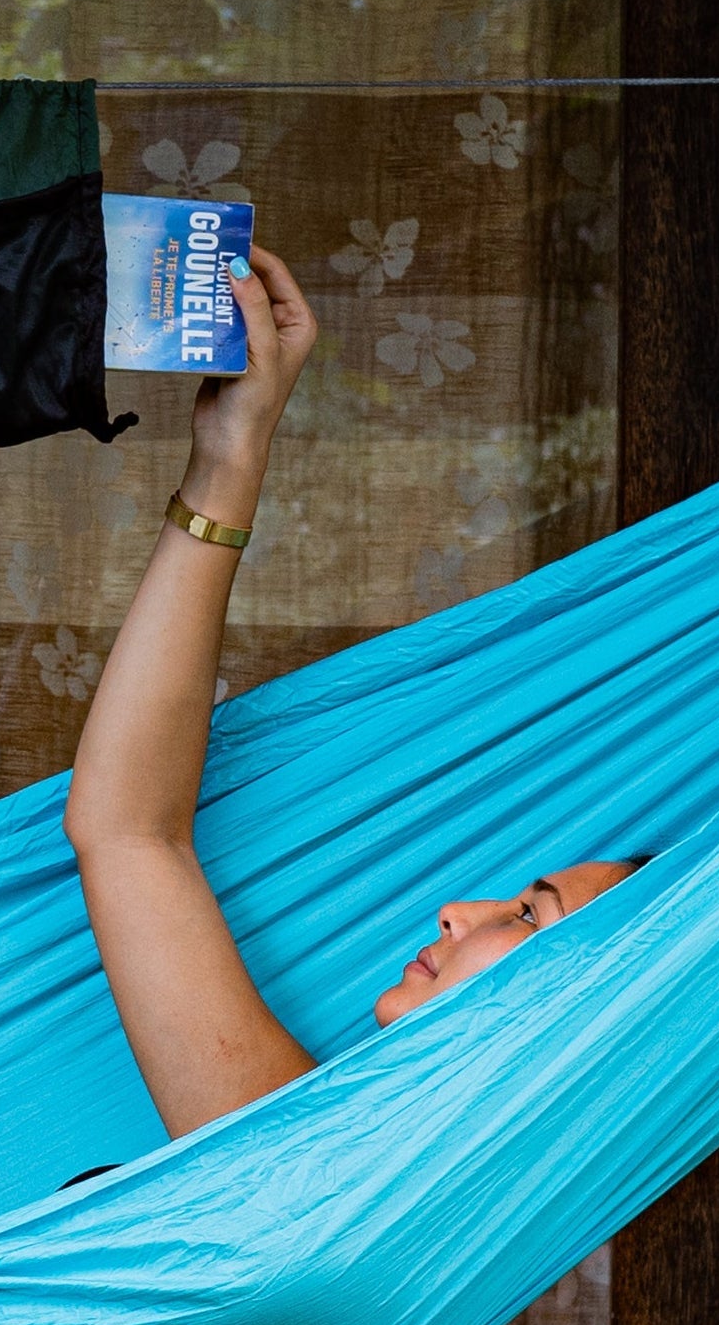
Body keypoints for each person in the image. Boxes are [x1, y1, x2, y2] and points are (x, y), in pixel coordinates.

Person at [61, 251, 634, 1137]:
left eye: (529, 914)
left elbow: (128, 827)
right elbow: (128, 828)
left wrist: (233, 462)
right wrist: (231, 453)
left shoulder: (293, 1181)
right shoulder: (316, 1168)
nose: (457, 909)